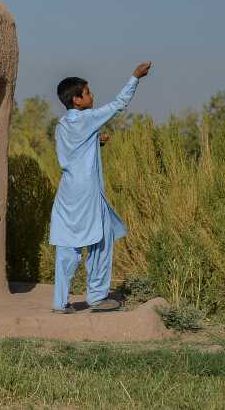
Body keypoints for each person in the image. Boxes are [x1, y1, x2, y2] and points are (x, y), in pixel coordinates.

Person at [50, 61, 152, 313]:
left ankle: (59, 302)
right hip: (87, 195)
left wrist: (96, 141)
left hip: (67, 194)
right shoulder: (87, 119)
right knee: (101, 241)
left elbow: (74, 152)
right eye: (87, 92)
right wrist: (135, 77)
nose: (92, 96)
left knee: (67, 247)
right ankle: (97, 297)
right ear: (77, 100)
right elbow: (118, 104)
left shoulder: (62, 125)